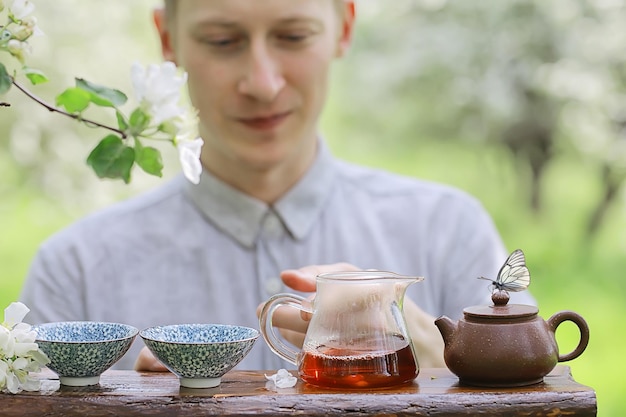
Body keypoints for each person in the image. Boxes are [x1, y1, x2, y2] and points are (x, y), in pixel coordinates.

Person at [20, 0, 535, 371]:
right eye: (223, 41)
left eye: (292, 36)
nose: (262, 82)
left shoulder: (449, 234)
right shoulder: (75, 273)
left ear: (344, 26)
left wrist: (448, 372)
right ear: (168, 40)